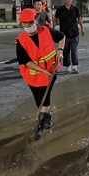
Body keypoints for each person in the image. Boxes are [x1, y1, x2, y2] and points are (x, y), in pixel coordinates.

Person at [16, 8, 65, 139]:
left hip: (50, 72)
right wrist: (42, 70)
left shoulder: (46, 31)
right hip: (33, 76)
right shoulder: (21, 40)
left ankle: (41, 123)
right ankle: (46, 117)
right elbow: (25, 61)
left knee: (45, 96)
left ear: (35, 20)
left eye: (30, 22)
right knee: (39, 99)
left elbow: (61, 37)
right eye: (24, 23)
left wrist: (60, 51)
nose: (28, 25)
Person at [53, 0, 85, 73]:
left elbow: (79, 19)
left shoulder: (75, 9)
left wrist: (82, 28)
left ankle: (75, 66)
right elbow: (55, 19)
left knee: (74, 50)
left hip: (74, 33)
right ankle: (68, 66)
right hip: (64, 34)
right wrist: (53, 29)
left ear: (71, 0)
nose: (68, 1)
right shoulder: (60, 9)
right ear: (64, 0)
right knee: (65, 51)